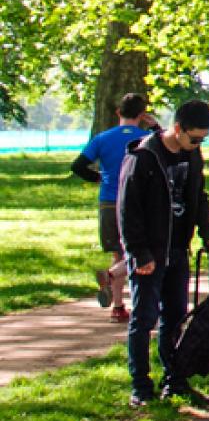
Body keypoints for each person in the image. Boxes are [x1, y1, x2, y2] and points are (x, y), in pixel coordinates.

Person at [117, 99, 209, 407]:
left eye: (203, 139)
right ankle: (140, 386)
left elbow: (198, 196)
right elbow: (127, 209)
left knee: (174, 318)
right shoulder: (145, 156)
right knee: (144, 319)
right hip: (150, 251)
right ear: (177, 129)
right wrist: (139, 253)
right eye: (194, 138)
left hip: (178, 249)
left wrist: (208, 231)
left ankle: (174, 380)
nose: (197, 144)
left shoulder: (192, 155)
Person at [71, 91, 156, 323]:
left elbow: (78, 166)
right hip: (137, 202)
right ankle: (119, 285)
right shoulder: (146, 139)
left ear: (118, 112)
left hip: (108, 202)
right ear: (141, 114)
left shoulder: (102, 138)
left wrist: (98, 177)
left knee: (118, 252)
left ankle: (118, 307)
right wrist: (156, 127)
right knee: (139, 251)